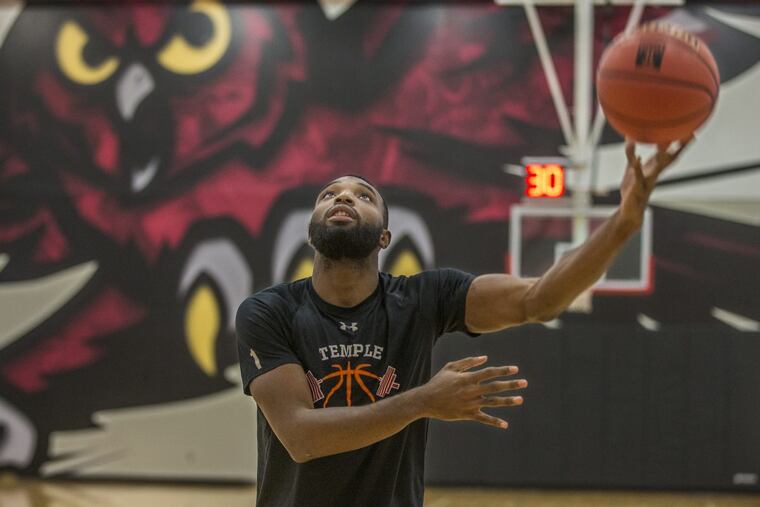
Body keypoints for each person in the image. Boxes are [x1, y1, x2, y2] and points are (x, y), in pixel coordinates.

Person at [235, 139, 691, 507]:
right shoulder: (267, 312)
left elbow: (540, 300)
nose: (343, 197)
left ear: (384, 237)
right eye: (330, 195)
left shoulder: (422, 298)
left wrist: (623, 223)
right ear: (312, 226)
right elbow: (300, 437)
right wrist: (422, 401)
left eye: (363, 196)